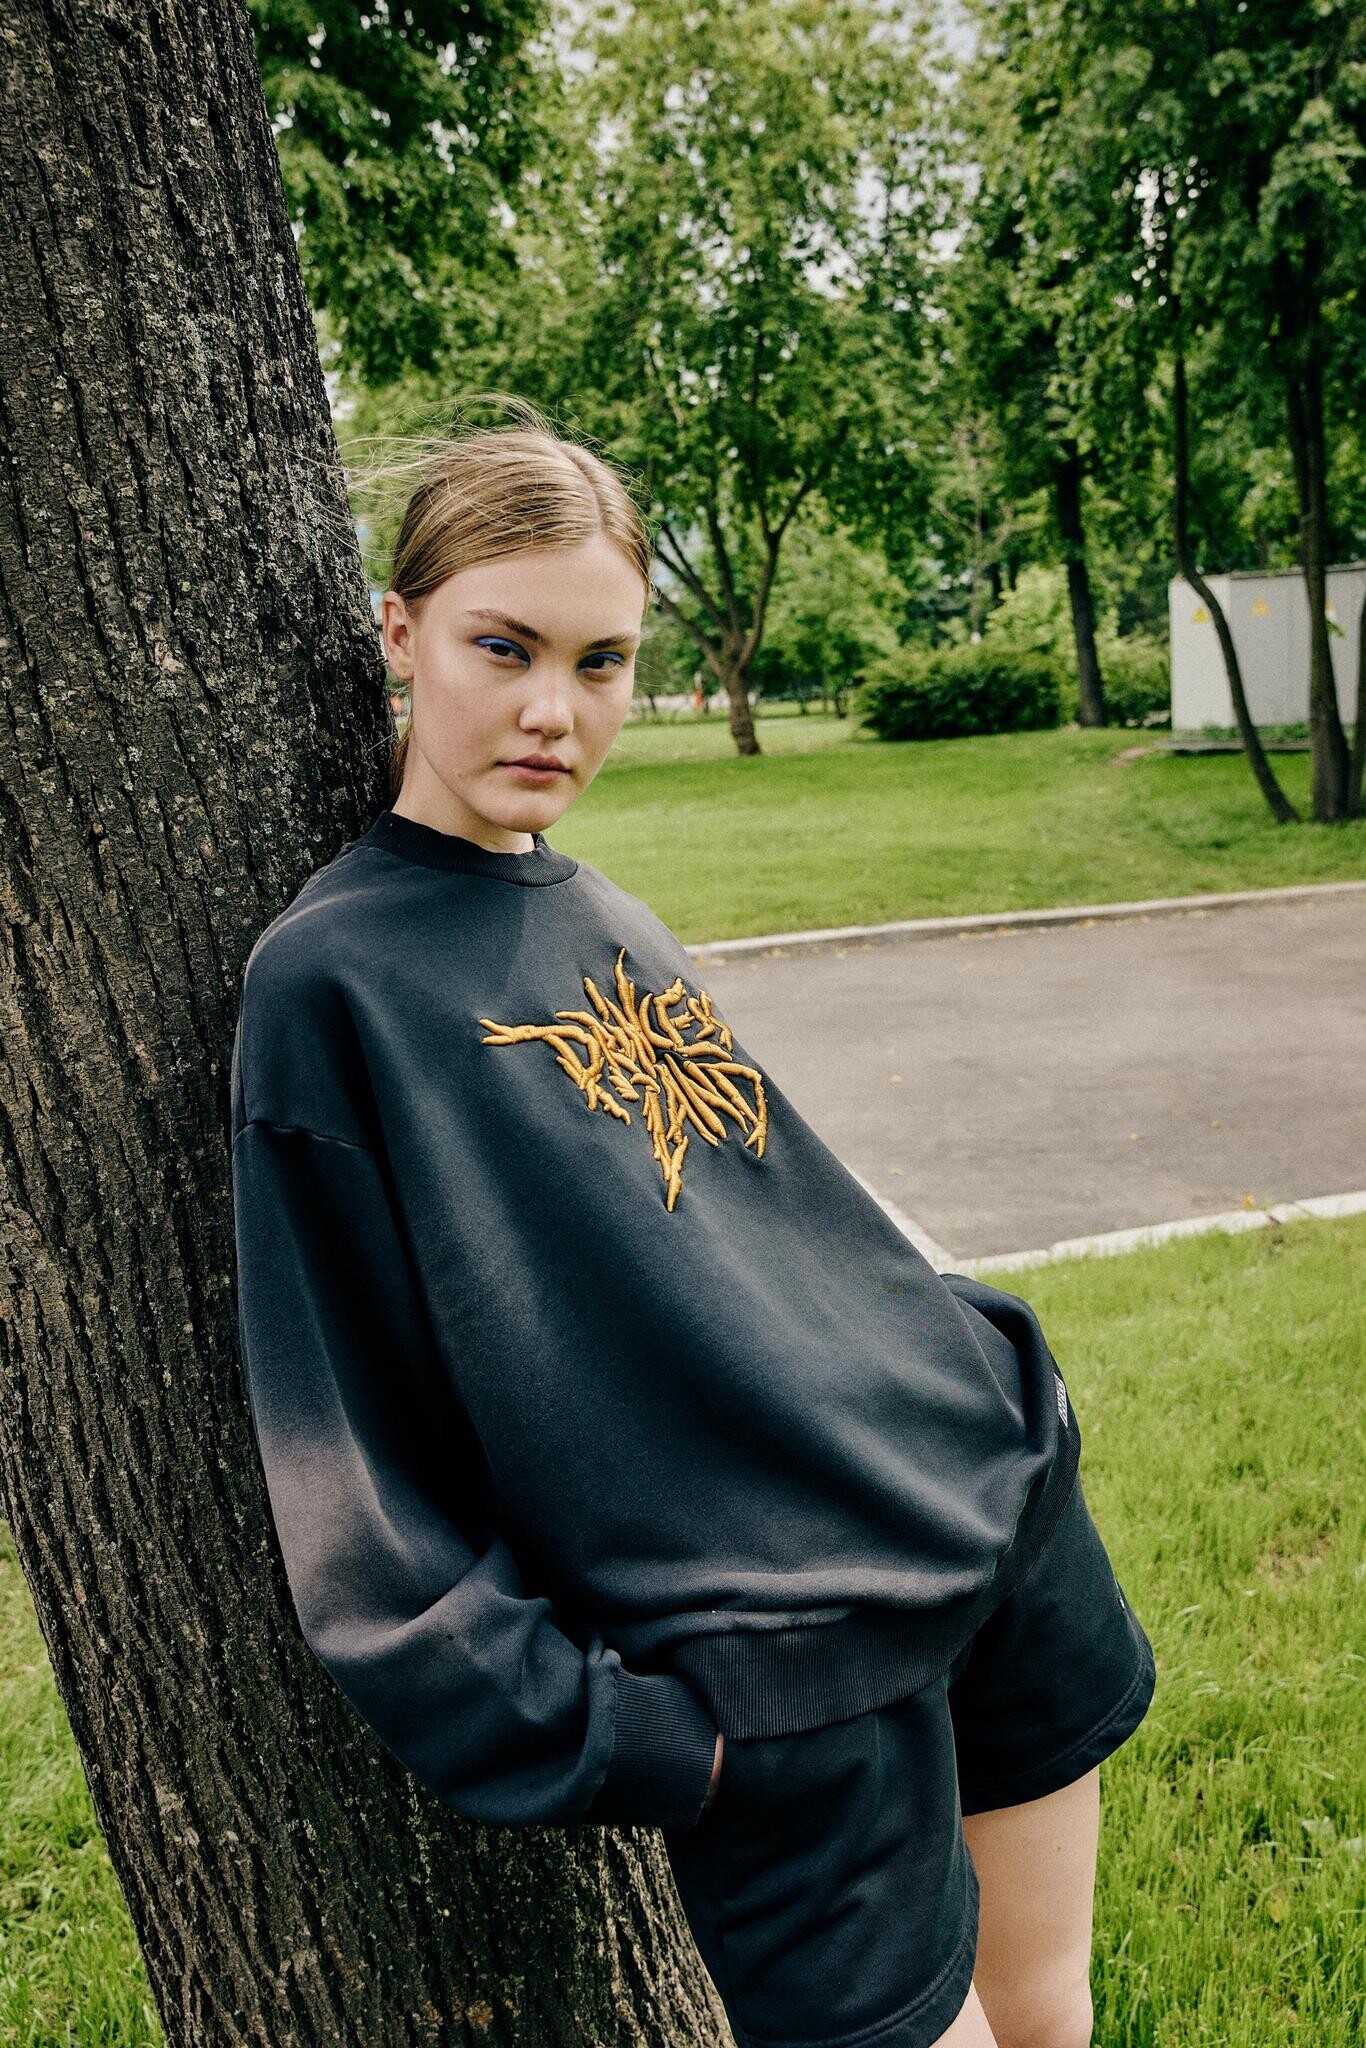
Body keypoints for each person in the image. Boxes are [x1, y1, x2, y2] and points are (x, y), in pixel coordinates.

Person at [229, 399, 1156, 2048]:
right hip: (782, 1681)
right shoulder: (331, 981)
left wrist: (1005, 1372)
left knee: (1048, 2012)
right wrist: (650, 1742)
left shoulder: (603, 909)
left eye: (601, 662)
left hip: (996, 1514)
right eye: (502, 646)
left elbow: (770, 1215)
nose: (552, 710)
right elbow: (351, 1461)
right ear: (398, 631)